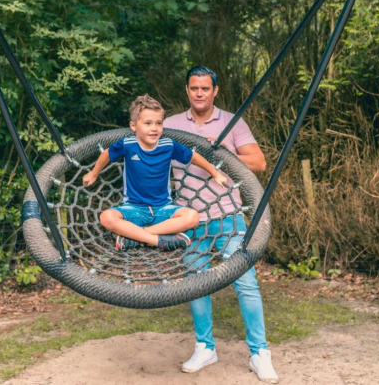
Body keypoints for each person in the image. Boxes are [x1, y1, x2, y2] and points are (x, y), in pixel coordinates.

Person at [164, 66, 279, 383]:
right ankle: (205, 347)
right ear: (187, 90)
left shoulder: (232, 122)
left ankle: (259, 353)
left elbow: (259, 162)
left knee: (246, 284)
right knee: (196, 283)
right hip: (189, 220)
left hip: (228, 217)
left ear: (215, 91)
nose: (199, 93)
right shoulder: (171, 125)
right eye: (193, 88)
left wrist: (228, 151)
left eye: (204, 88)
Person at [83, 94, 228, 251]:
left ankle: (139, 237)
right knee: (106, 217)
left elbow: (194, 156)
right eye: (147, 123)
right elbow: (106, 154)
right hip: (133, 208)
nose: (154, 128)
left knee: (193, 217)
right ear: (133, 126)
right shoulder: (128, 144)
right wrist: (94, 173)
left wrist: (215, 173)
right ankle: (159, 241)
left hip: (163, 209)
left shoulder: (168, 145)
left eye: (159, 123)